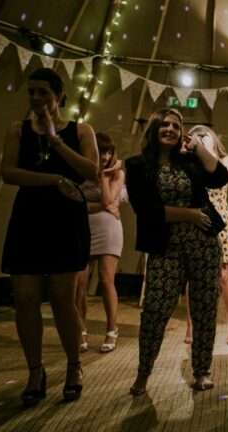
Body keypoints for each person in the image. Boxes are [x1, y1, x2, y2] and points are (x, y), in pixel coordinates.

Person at [0, 68, 99, 406]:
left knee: (62, 299)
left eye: (43, 92)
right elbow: (9, 173)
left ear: (59, 97)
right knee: (25, 298)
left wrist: (57, 141)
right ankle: (34, 371)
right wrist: (54, 179)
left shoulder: (81, 130)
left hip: (65, 219)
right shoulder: (18, 130)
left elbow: (90, 170)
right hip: (28, 218)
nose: (36, 99)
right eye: (32, 93)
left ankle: (73, 367)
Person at [125, 108, 228, 394]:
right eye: (165, 125)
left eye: (176, 125)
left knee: (205, 308)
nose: (170, 129)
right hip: (165, 246)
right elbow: (146, 210)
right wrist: (189, 214)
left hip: (203, 244)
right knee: (156, 309)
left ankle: (202, 371)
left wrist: (196, 146)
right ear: (154, 128)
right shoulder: (135, 165)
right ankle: (143, 372)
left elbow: (220, 177)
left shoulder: (190, 161)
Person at [183, 125, 228, 346]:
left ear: (213, 139)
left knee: (225, 275)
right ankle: (190, 323)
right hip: (197, 216)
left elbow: (220, 176)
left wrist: (202, 149)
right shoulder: (189, 162)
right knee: (193, 276)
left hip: (220, 220)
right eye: (196, 136)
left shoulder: (226, 159)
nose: (200, 139)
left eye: (204, 136)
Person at [75, 132, 125, 354]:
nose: (105, 156)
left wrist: (104, 176)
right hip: (81, 227)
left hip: (108, 228)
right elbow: (76, 205)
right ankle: (80, 330)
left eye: (108, 152)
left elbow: (108, 200)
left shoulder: (116, 174)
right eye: (101, 151)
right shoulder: (79, 172)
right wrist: (102, 206)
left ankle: (112, 330)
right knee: (79, 284)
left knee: (106, 280)